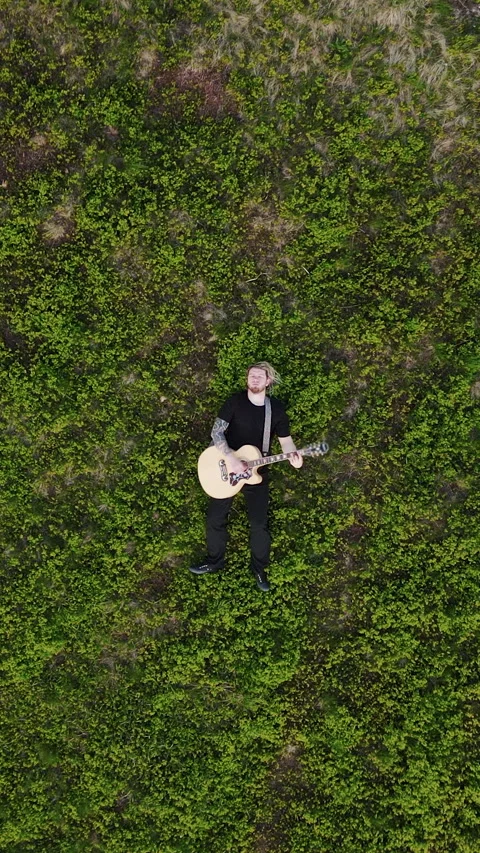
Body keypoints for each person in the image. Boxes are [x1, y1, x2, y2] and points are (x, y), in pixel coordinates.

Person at [190, 362, 303, 591]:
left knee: (259, 524)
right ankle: (214, 561)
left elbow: (285, 440)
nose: (254, 379)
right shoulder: (235, 401)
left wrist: (294, 456)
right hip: (227, 468)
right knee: (215, 519)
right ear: (247, 378)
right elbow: (216, 431)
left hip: (257, 472)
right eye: (251, 375)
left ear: (268, 381)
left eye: (259, 376)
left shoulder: (276, 409)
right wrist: (231, 458)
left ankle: (259, 569)